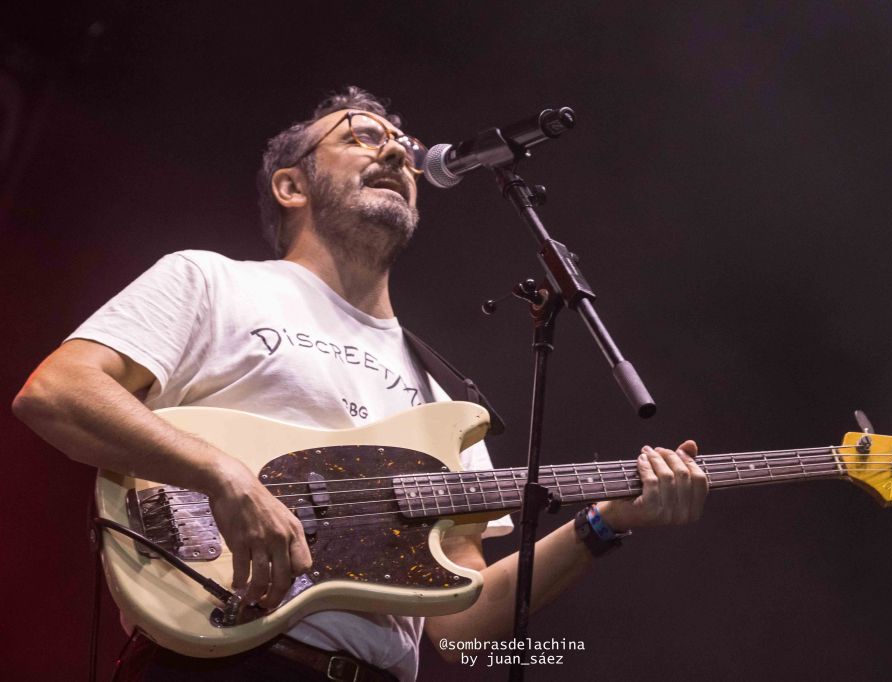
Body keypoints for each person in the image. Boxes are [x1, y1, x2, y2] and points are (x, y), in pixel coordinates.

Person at [12, 87, 708, 682]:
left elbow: (463, 633)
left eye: (406, 145)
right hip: (219, 662)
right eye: (364, 136)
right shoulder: (212, 281)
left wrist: (604, 523)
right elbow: (56, 392)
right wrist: (225, 477)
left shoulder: (446, 400)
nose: (399, 153)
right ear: (292, 186)